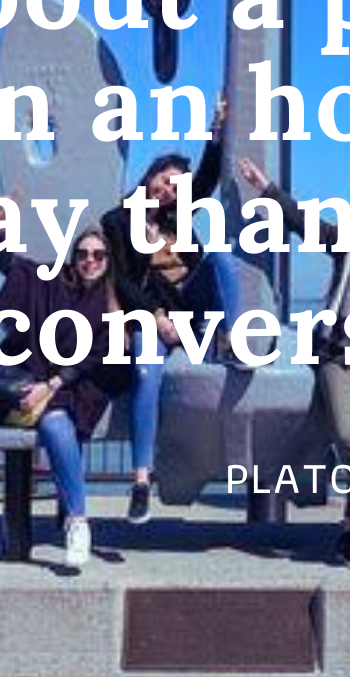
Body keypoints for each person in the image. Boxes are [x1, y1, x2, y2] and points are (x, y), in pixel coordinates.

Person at [237, 157, 350, 567]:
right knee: (349, 437)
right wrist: (267, 188)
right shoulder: (347, 244)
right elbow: (304, 222)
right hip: (337, 353)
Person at [0, 225, 130, 569]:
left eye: (98, 255)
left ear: (107, 261)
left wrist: (51, 385)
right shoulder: (50, 281)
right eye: (83, 254)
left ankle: (77, 522)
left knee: (58, 429)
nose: (90, 261)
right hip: (14, 384)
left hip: (63, 391)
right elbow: (8, 263)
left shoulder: (109, 306)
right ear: (74, 258)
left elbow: (91, 360)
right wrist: (0, 230)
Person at [101, 96, 232, 526]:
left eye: (176, 185)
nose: (167, 189)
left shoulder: (179, 214)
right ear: (150, 176)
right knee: (145, 371)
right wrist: (155, 319)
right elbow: (119, 279)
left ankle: (231, 338)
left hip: (189, 306)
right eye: (163, 179)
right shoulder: (118, 220)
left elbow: (209, 178)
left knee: (222, 261)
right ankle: (142, 481)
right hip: (150, 313)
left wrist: (215, 135)